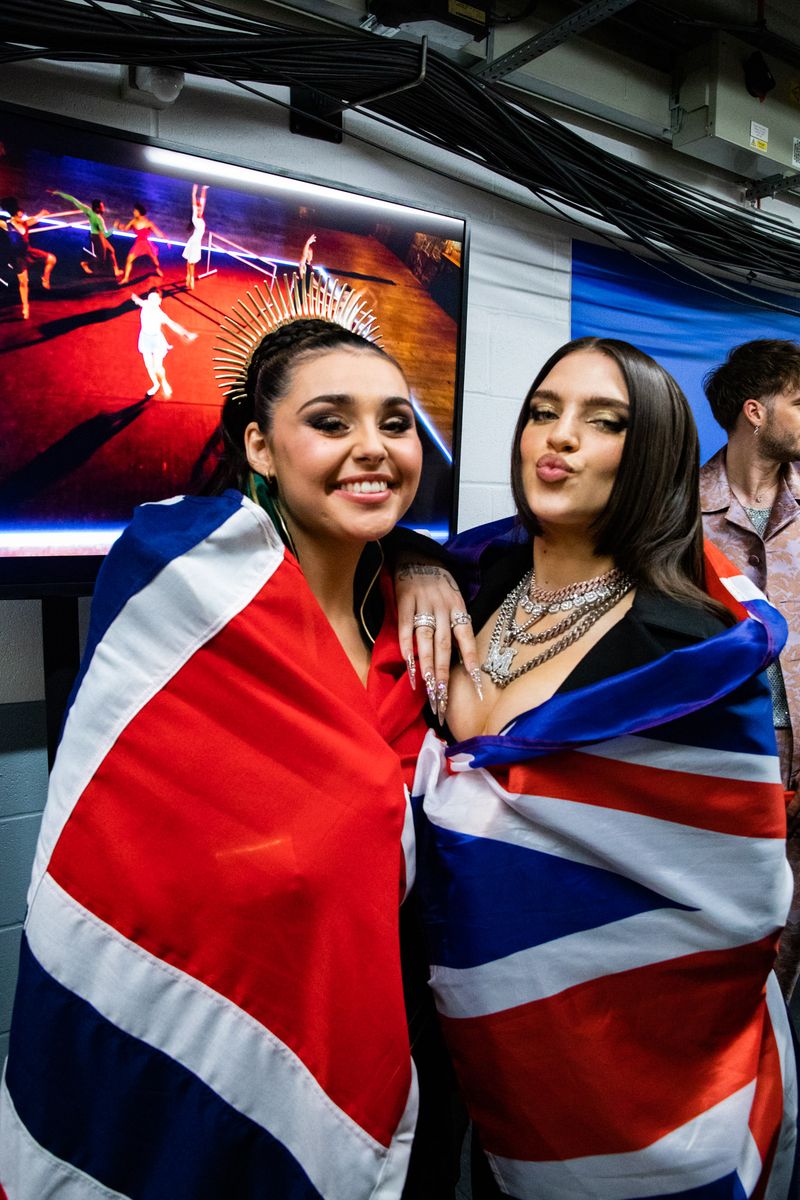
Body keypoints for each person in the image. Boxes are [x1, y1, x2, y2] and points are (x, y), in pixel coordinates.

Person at [0, 273, 435, 1198]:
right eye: (331, 421)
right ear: (259, 446)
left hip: (352, 1038)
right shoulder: (175, 582)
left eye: (395, 422)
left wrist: (426, 561)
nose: (373, 447)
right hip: (176, 1044)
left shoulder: (420, 625)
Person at [401, 337, 798, 1198]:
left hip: (595, 1060)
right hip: (424, 1037)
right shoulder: (470, 581)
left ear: (653, 450)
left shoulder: (690, 649)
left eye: (604, 421)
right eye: (544, 412)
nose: (561, 436)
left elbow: (731, 898)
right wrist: (414, 563)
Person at [701, 339, 800, 999]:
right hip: (722, 764)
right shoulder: (673, 510)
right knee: (723, 942)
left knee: (791, 939)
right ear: (755, 412)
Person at [131, 288, 197, 398]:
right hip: (145, 339)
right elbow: (139, 301)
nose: (152, 302)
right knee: (149, 366)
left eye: (155, 299)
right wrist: (135, 298)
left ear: (159, 301)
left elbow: (173, 325)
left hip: (156, 341)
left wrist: (186, 333)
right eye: (150, 298)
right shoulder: (146, 304)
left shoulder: (160, 315)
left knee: (157, 367)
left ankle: (164, 382)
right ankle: (156, 384)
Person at [0, 196, 57, 320]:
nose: (23, 215)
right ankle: (25, 306)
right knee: (24, 282)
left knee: (52, 259)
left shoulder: (25, 223)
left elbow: (35, 219)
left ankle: (45, 278)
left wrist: (42, 213)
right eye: (21, 214)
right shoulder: (6, 224)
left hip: (28, 252)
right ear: (16, 214)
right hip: (17, 257)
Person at [49, 188, 122, 277]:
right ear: (97, 209)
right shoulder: (99, 219)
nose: (103, 208)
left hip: (95, 235)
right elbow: (106, 235)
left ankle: (116, 270)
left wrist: (57, 192)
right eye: (102, 207)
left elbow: (73, 199)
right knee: (101, 259)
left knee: (111, 250)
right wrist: (114, 228)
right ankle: (85, 263)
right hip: (97, 237)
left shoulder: (88, 210)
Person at [117, 202, 165, 284]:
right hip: (138, 244)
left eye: (135, 211)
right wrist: (118, 226)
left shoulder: (148, 223)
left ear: (139, 212)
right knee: (129, 259)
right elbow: (125, 229)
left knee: (155, 262)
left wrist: (166, 239)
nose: (133, 212)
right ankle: (126, 278)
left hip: (147, 245)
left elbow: (158, 233)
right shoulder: (133, 221)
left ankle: (157, 269)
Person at [182, 182, 208, 290]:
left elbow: (203, 201)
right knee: (191, 262)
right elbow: (194, 201)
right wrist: (194, 192)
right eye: (198, 209)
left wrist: (204, 189)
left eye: (200, 208)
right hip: (193, 243)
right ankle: (191, 278)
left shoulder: (201, 216)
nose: (200, 209)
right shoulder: (194, 217)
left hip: (197, 243)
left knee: (190, 262)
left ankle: (188, 275)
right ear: (195, 210)